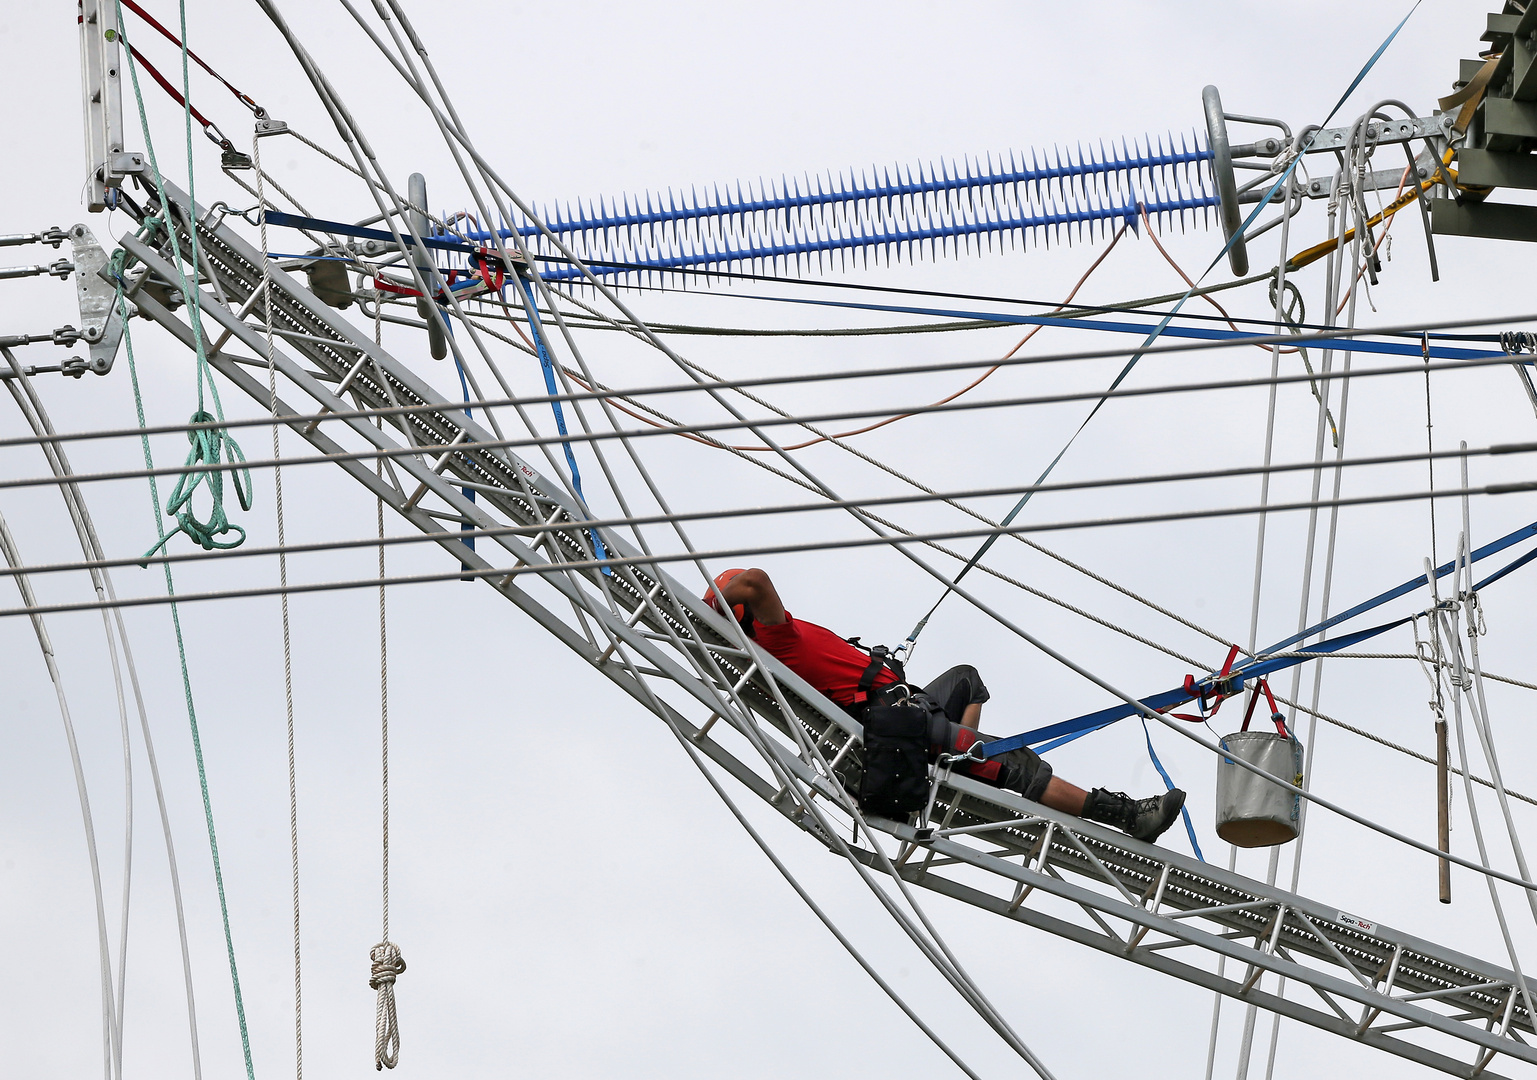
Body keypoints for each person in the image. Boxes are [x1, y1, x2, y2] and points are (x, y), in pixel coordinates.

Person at [704, 567, 1186, 844]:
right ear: (742, 619)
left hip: (909, 706)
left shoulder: (778, 639)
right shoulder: (774, 638)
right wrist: (713, 612)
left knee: (963, 679)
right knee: (1011, 764)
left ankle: (953, 755)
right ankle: (1125, 816)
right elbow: (754, 582)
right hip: (894, 720)